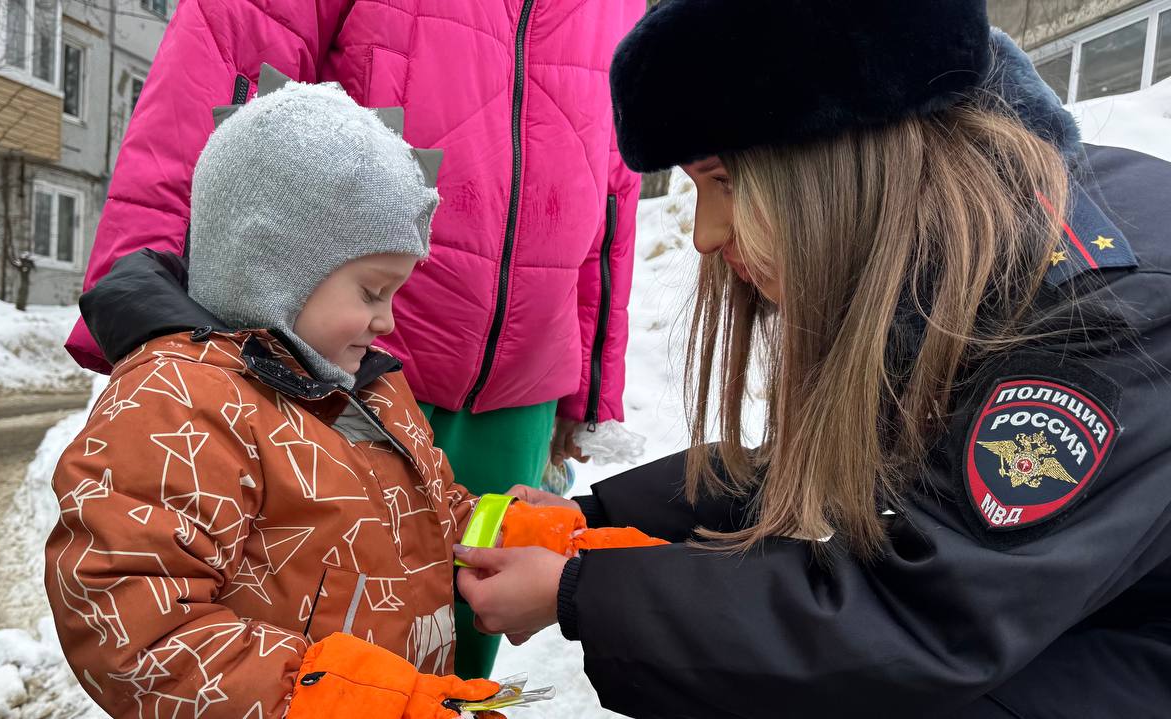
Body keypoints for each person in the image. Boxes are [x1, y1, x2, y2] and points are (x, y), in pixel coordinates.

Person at [454, 1, 1171, 716]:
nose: (705, 235)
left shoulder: (1102, 313)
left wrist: (579, 595)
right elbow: (837, 460)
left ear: (834, 162)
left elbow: (921, 620)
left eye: (724, 181)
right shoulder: (954, 244)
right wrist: (594, 514)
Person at [65, 0, 645, 679]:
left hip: (516, 362)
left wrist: (544, 519)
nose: (385, 316)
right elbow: (234, 43)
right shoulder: (183, 407)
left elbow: (614, 183)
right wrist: (157, 321)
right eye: (375, 295)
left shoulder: (381, 385)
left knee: (447, 624)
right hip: (305, 354)